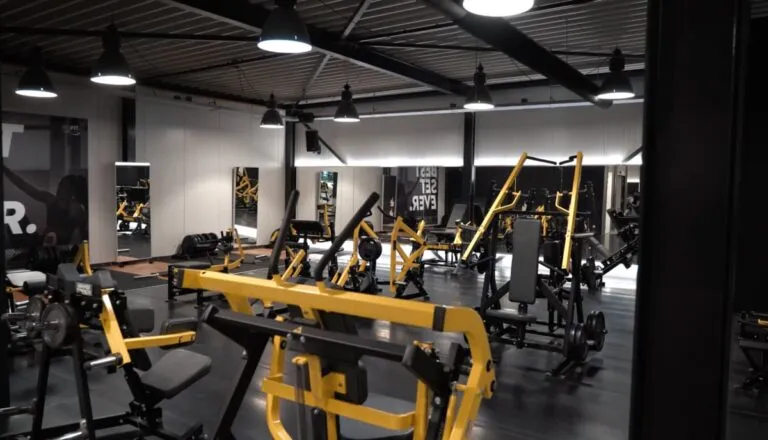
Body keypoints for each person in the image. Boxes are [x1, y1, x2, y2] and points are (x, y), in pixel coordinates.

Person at [3, 167, 88, 246]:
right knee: (12, 212)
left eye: (64, 186)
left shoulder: (76, 209)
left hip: (56, 246)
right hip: (40, 241)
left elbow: (83, 234)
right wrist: (5, 170)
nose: (59, 188)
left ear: (71, 191)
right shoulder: (51, 199)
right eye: (60, 184)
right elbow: (25, 186)